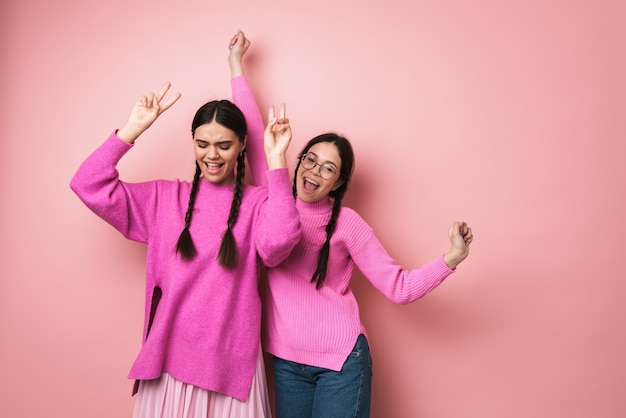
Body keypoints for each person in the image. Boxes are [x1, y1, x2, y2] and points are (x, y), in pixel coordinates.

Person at [229, 31, 474, 418]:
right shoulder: (275, 197)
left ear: (338, 183)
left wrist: (451, 258)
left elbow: (399, 287)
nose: (314, 172)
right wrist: (235, 65)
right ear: (298, 160)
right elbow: (255, 133)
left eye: (328, 169)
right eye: (310, 160)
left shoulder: (347, 224)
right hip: (287, 363)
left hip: (342, 362)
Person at [70, 68, 300, 416]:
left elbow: (279, 245)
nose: (212, 154)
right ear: (192, 141)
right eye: (202, 143)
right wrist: (130, 131)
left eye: (224, 145)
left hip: (230, 368)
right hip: (169, 363)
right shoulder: (165, 198)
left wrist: (277, 160)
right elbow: (87, 184)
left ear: (241, 146)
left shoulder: (257, 205)